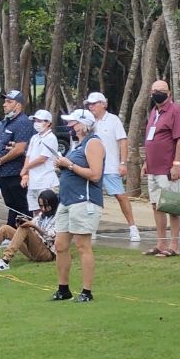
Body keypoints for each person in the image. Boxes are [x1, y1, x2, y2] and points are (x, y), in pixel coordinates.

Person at [51, 109, 105, 303]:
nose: (69, 127)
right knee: (60, 245)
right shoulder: (78, 146)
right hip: (67, 200)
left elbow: (95, 174)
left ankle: (86, 291)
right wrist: (63, 166)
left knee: (83, 245)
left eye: (72, 124)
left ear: (83, 125)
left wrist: (70, 166)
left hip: (84, 200)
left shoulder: (94, 143)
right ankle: (63, 289)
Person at [84, 91, 141, 242]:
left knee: (121, 197)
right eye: (89, 104)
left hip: (110, 167)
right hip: (92, 167)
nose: (91, 107)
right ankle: (92, 229)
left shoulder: (113, 120)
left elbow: (122, 141)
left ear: (103, 104)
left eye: (94, 104)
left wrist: (123, 163)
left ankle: (133, 228)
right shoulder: (89, 121)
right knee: (92, 200)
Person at [142, 80, 180, 258]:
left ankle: (174, 245)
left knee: (172, 205)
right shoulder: (154, 111)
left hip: (168, 168)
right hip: (153, 167)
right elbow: (150, 140)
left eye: (160, 91)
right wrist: (146, 162)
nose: (156, 94)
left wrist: (176, 163)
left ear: (168, 93)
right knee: (156, 205)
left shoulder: (175, 111)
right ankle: (161, 243)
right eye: (153, 91)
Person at [0, 90, 35, 226]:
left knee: (21, 204)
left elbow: (20, 149)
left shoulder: (23, 122)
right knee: (11, 203)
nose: (4, 104)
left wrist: (0, 160)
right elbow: (0, 140)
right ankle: (11, 232)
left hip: (16, 171)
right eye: (5, 101)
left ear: (18, 105)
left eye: (9, 102)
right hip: (4, 171)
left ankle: (24, 234)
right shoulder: (6, 120)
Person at [20, 110, 60, 216]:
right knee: (35, 210)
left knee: (47, 209)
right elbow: (28, 156)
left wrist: (25, 168)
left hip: (45, 180)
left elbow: (42, 158)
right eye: (35, 120)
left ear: (48, 123)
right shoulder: (35, 137)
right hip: (33, 181)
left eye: (39, 120)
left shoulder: (51, 138)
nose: (36, 123)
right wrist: (26, 175)